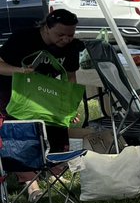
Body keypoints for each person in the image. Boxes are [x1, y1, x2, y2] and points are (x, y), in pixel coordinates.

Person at [0, 10, 84, 191]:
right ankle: (30, 183)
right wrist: (20, 71)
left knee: (55, 123)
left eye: (70, 35)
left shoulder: (72, 47)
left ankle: (54, 170)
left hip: (44, 92)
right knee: (23, 130)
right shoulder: (23, 39)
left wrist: (69, 107)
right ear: (46, 28)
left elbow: (70, 78)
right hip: (12, 91)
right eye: (60, 34)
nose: (66, 39)